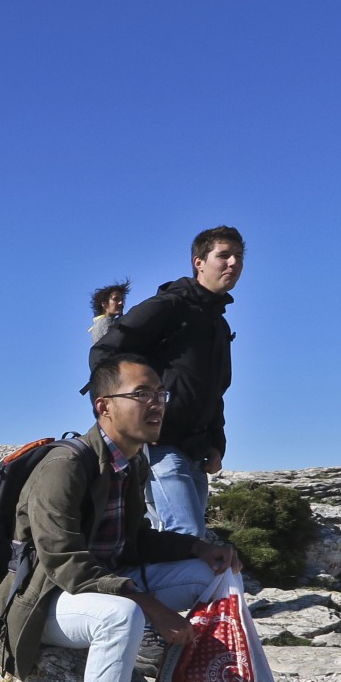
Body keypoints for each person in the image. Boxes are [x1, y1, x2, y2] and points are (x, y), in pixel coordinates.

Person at [0, 354, 269, 682]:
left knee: (216, 573)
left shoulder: (129, 465)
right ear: (103, 406)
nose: (157, 404)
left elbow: (133, 543)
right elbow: (63, 562)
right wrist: (150, 606)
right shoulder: (64, 465)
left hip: (101, 589)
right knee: (122, 617)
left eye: (160, 394)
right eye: (142, 394)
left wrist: (199, 546)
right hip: (44, 604)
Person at [90, 227, 242, 537]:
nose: (233, 263)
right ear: (198, 262)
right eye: (223, 255)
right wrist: (126, 421)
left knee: (187, 540)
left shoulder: (219, 323)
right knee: (186, 536)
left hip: (196, 450)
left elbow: (214, 391)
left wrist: (216, 443)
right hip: (162, 444)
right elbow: (104, 354)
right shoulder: (171, 306)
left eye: (238, 257)